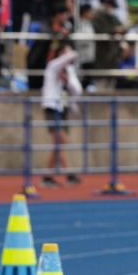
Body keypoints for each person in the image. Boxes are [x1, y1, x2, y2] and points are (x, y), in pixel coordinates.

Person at [40, 45, 83, 188]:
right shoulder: (52, 66)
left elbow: (77, 90)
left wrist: (67, 81)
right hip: (52, 107)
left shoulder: (69, 71)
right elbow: (73, 55)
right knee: (60, 140)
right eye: (65, 52)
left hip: (63, 108)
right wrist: (69, 51)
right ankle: (69, 174)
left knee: (60, 143)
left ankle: (48, 176)